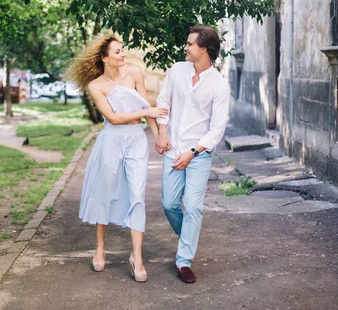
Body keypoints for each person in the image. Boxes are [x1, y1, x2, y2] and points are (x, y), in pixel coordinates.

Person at [66, 33, 168, 283]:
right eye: (117, 52)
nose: (123, 54)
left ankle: (137, 257)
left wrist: (157, 137)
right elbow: (113, 117)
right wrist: (147, 111)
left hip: (135, 140)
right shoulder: (95, 85)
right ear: (104, 58)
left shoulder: (135, 74)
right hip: (111, 141)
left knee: (137, 195)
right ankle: (100, 248)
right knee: (106, 192)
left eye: (123, 50)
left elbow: (147, 111)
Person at [155, 25, 231, 283]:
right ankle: (190, 234)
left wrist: (192, 152)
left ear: (204, 49)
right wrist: (162, 133)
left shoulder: (219, 85)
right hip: (172, 149)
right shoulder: (177, 70)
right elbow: (163, 103)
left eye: (190, 44)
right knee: (169, 203)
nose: (185, 47)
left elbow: (217, 128)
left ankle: (184, 261)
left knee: (194, 207)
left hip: (198, 155)